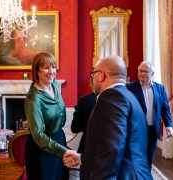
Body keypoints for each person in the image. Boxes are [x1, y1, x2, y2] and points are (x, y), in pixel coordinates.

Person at [63, 55, 152, 179]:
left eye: (93, 74)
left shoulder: (111, 98)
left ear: (101, 75)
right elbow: (113, 145)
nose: (92, 78)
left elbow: (112, 150)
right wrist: (82, 159)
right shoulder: (129, 96)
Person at [24, 52, 76, 180]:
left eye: (53, 67)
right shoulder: (33, 98)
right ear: (37, 71)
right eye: (46, 67)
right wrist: (62, 150)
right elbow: (38, 134)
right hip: (42, 148)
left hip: (59, 138)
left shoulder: (55, 85)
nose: (51, 71)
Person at [126, 61, 173, 167]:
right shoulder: (129, 88)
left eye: (145, 71)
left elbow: (165, 109)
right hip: (135, 130)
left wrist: (169, 125)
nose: (142, 73)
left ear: (152, 73)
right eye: (140, 71)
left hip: (152, 131)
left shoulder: (160, 88)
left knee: (148, 161)